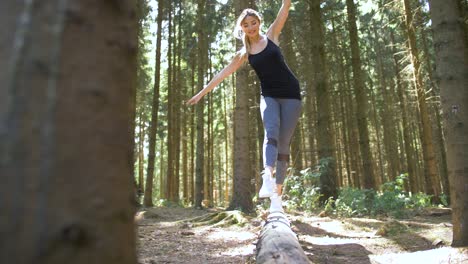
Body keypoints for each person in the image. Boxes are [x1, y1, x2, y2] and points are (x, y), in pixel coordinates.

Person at [187, 0, 301, 213]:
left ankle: (277, 199)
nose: (251, 27)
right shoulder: (244, 53)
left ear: (259, 22)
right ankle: (267, 175)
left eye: (253, 22)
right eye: (246, 24)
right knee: (272, 131)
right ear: (242, 28)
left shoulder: (272, 36)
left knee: (284, 147)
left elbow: (284, 9)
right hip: (269, 96)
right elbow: (222, 74)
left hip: (292, 95)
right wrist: (201, 93)